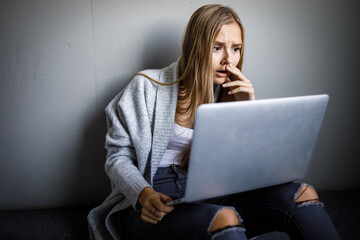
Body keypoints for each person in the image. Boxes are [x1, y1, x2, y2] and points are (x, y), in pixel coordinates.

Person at [88, 4, 340, 240]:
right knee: (224, 218)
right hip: (154, 204)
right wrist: (143, 194)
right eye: (217, 47)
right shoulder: (146, 87)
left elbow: (249, 169)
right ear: (195, 46)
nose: (229, 60)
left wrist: (247, 110)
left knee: (302, 194)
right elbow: (117, 157)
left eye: (236, 48)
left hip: (213, 195)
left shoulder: (231, 94)